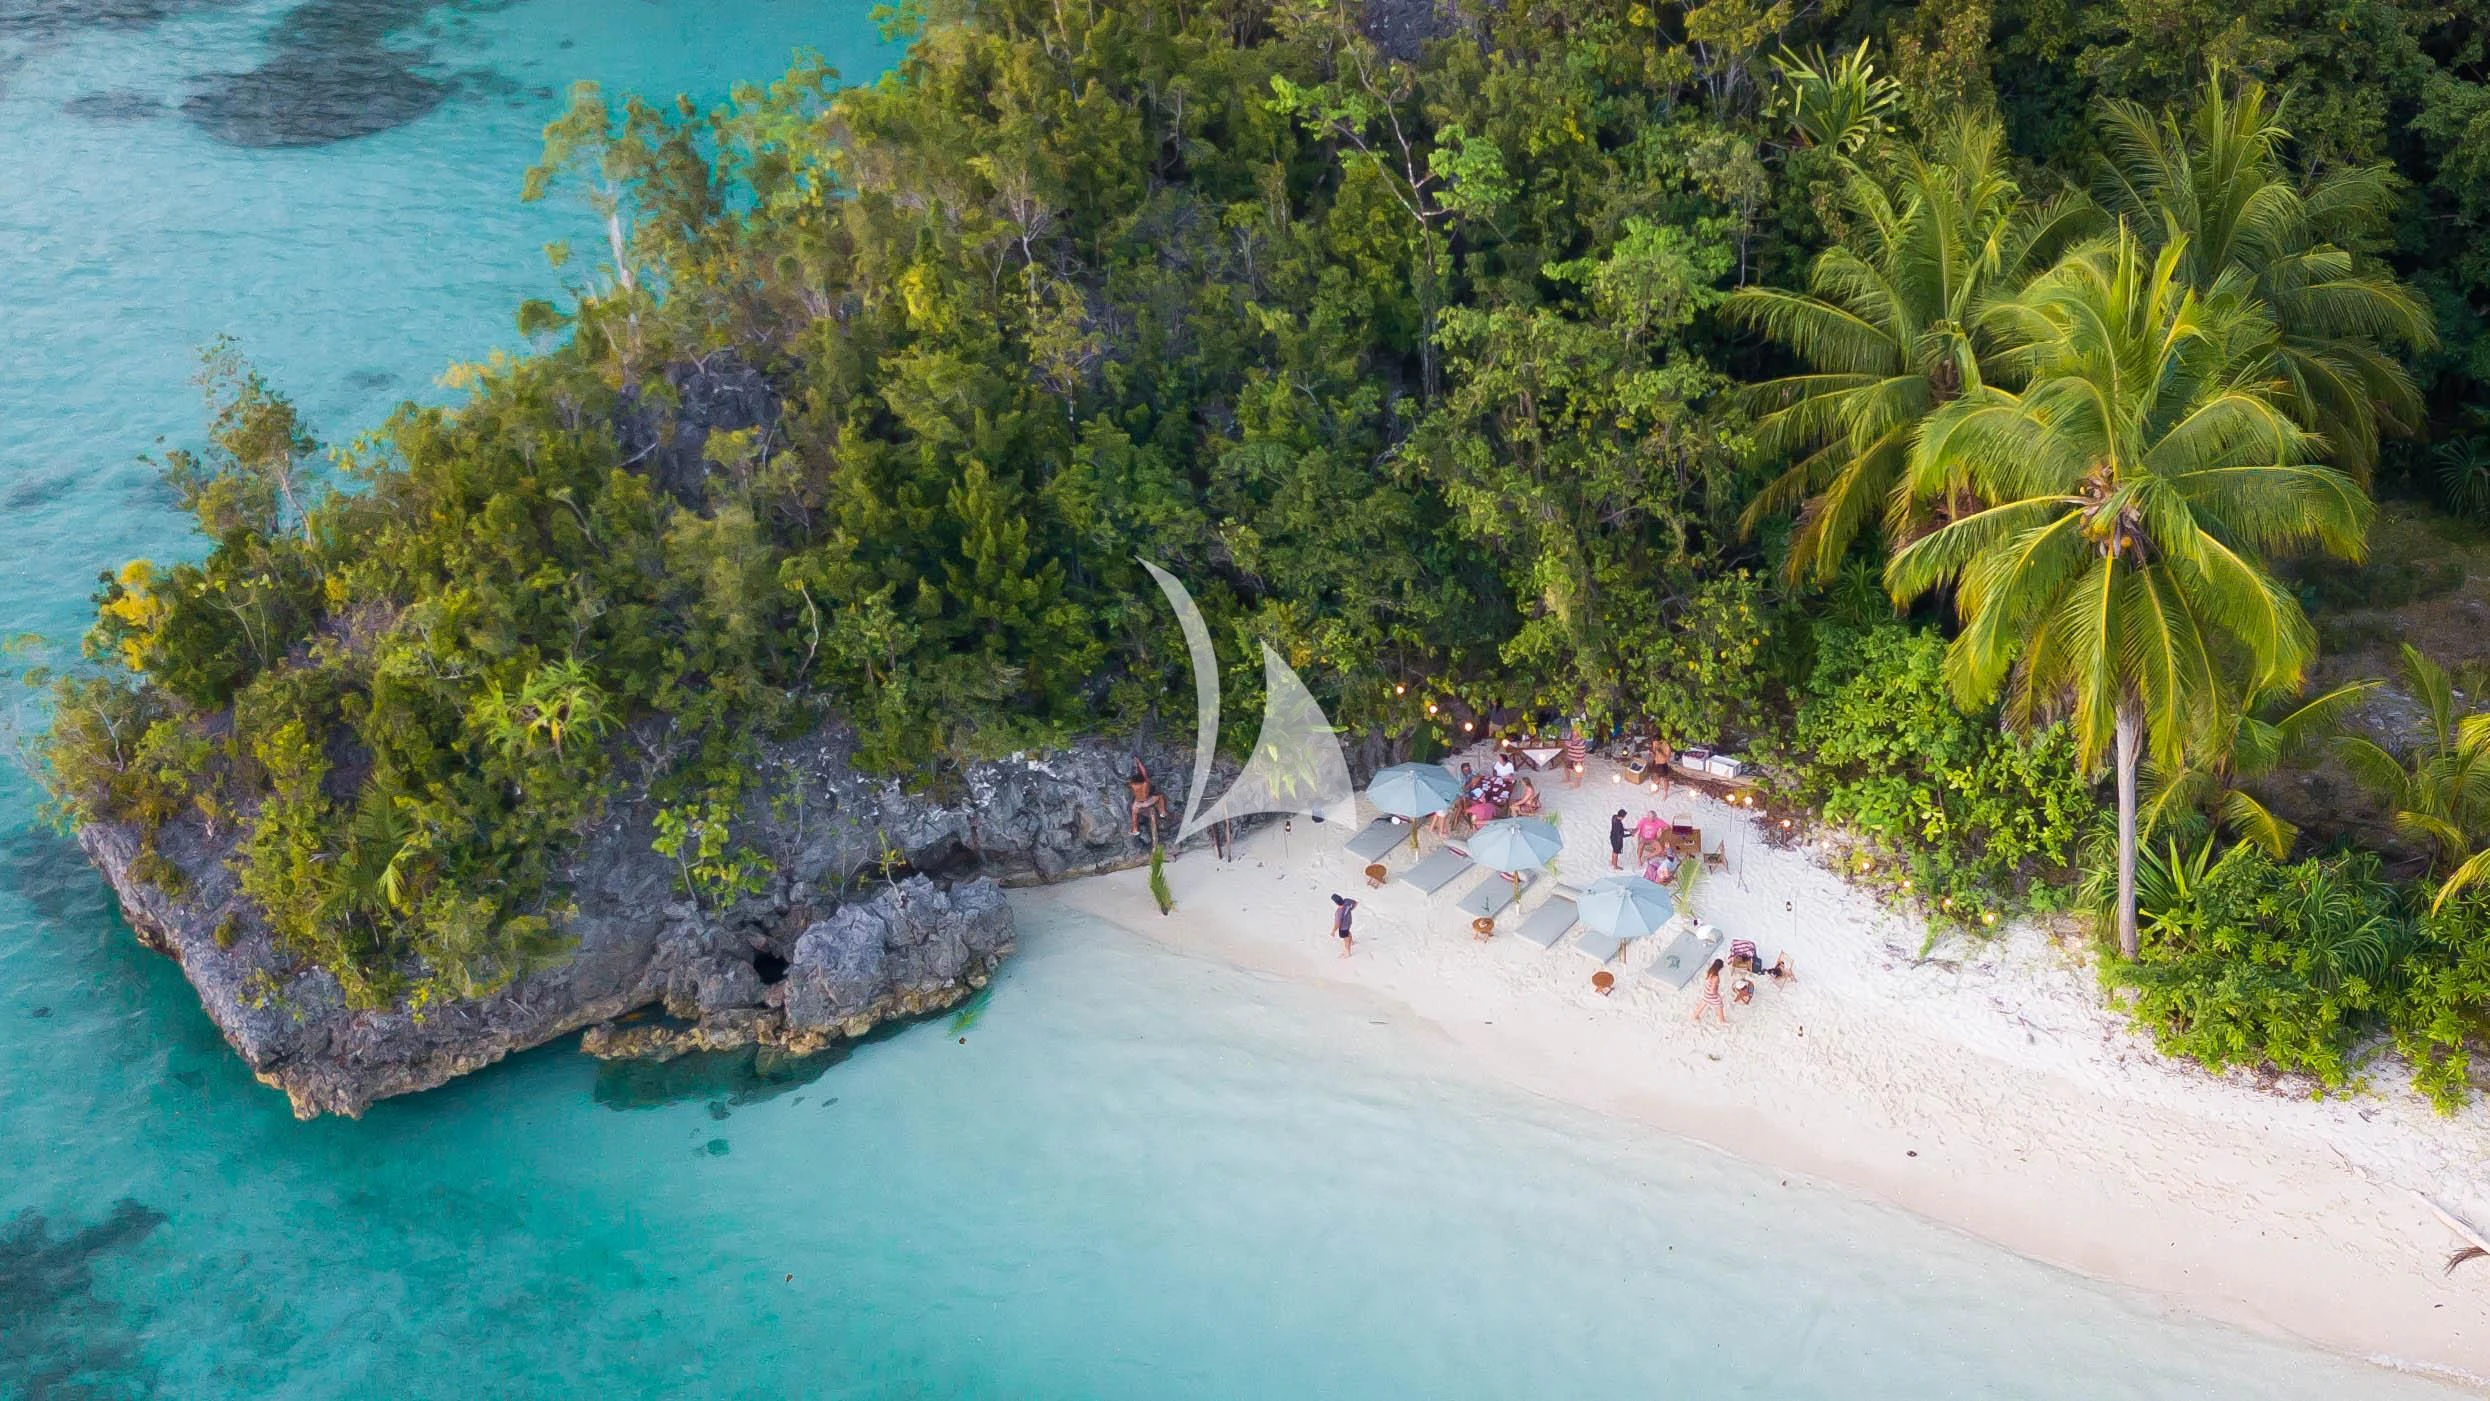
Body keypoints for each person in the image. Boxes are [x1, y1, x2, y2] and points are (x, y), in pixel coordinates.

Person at [1127, 759, 1170, 839]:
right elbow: (1144, 773)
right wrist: (1139, 763)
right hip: (1147, 802)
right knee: (1160, 796)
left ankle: (1135, 829)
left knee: (1134, 813)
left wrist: (1135, 767)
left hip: (1138, 803)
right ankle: (1162, 812)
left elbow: (1133, 778)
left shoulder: (1132, 785)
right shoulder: (1145, 783)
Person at [1728, 938, 1794, 983]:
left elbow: (1779, 972)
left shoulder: (1780, 968)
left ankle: (1759, 969)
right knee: (1760, 968)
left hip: (1776, 972)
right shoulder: (1779, 965)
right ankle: (1759, 969)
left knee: (1760, 969)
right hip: (1775, 971)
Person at [1692, 958, 1728, 1024]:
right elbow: (1712, 990)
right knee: (1719, 1004)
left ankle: (1695, 1016)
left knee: (1703, 1002)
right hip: (1711, 995)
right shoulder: (1716, 977)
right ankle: (1722, 1020)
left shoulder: (1710, 971)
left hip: (1706, 992)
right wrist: (1717, 994)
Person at [1331, 894, 1357, 958]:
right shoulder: (1347, 901)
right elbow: (1355, 903)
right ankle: (1352, 942)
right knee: (1348, 932)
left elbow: (1337, 924)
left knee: (1346, 939)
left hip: (1343, 927)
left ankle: (1347, 952)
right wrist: (1350, 909)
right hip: (1349, 922)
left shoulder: (1339, 912)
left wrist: (1333, 931)